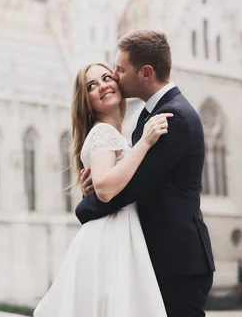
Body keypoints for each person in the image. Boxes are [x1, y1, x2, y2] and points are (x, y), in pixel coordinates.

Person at [76, 30, 215, 317]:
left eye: (120, 69)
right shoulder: (149, 115)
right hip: (158, 258)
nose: (114, 76)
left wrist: (85, 206)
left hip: (178, 261)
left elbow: (129, 188)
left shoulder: (172, 119)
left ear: (146, 73)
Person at [33, 62, 170, 317]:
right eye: (91, 86)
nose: (103, 85)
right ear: (87, 102)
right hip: (112, 236)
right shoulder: (102, 133)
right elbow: (105, 189)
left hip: (118, 231)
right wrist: (146, 142)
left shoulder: (112, 134)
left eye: (107, 77)